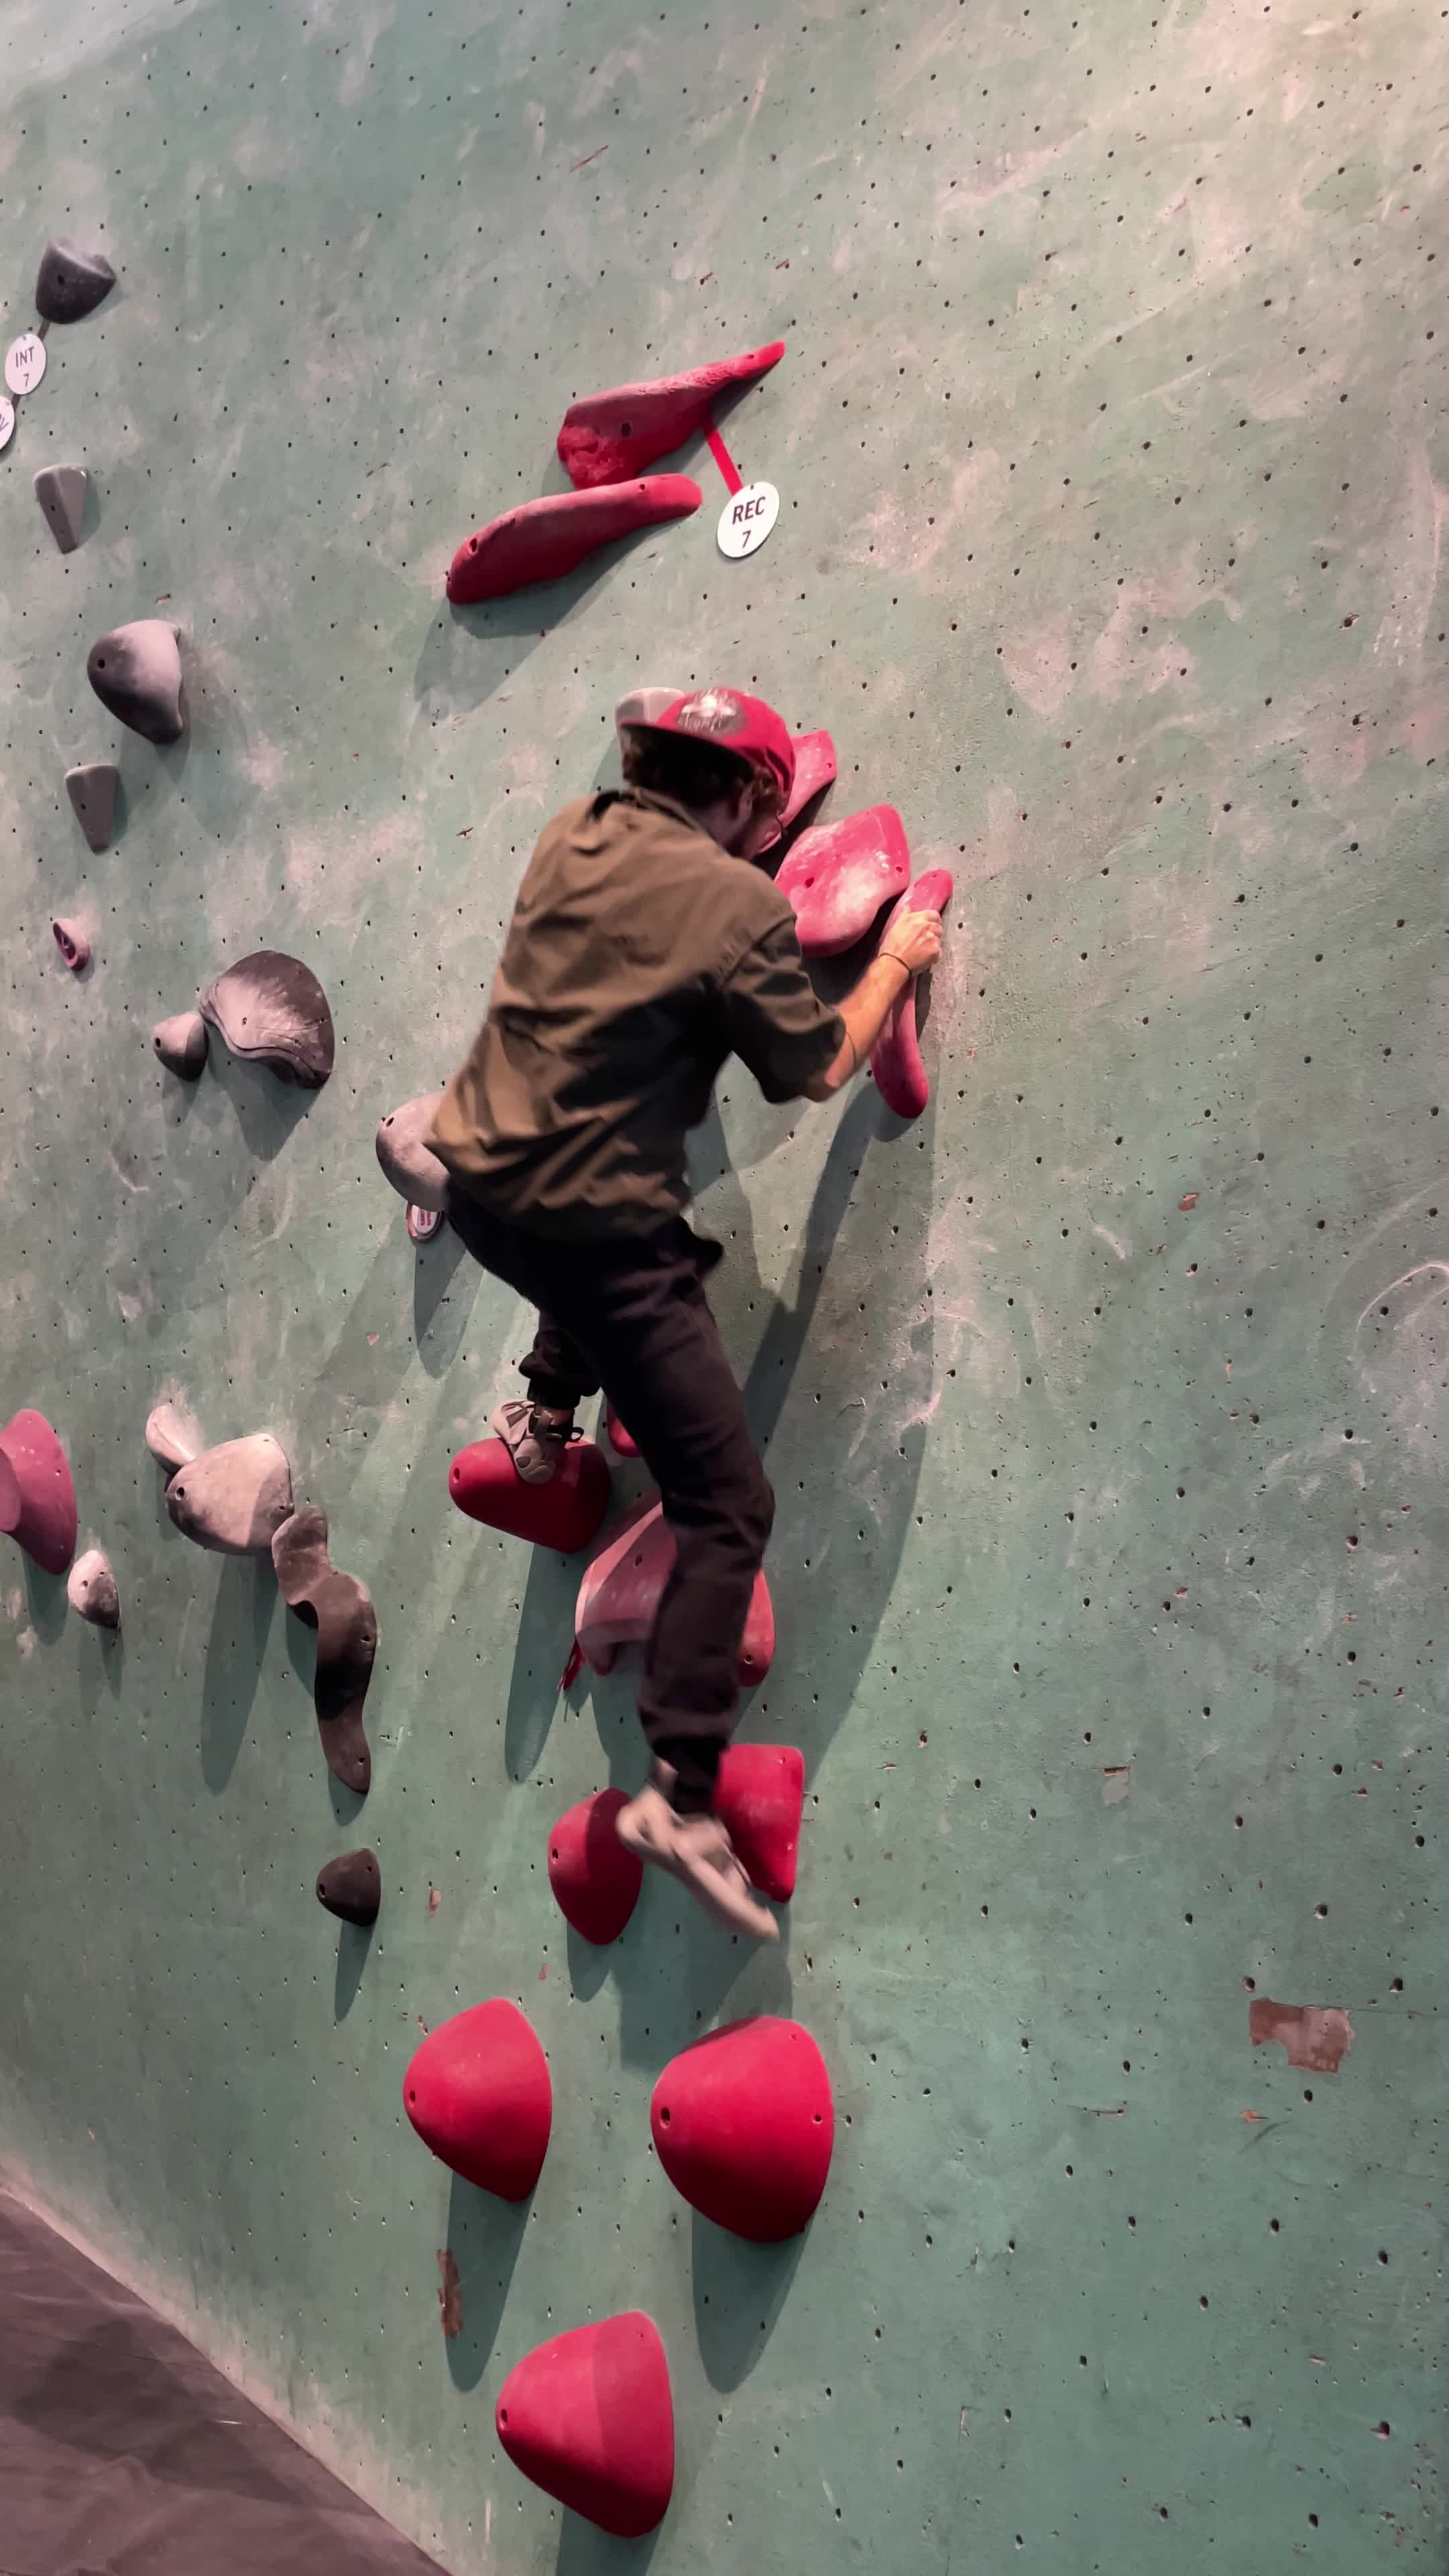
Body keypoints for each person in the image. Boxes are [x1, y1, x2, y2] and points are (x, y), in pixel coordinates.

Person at [429, 687, 944, 1939]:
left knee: (630, 1251)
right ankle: (680, 1789)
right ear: (761, 802)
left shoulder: (569, 833)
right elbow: (813, 1071)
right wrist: (894, 964)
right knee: (730, 1505)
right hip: (596, 1230)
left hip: (483, 1190)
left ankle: (548, 1405)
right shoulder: (741, 908)